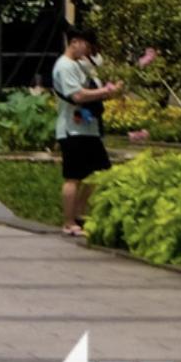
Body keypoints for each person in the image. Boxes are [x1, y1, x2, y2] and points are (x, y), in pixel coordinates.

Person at [51, 29, 124, 240]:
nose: (89, 50)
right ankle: (68, 222)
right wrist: (107, 92)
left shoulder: (83, 65)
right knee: (73, 176)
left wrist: (107, 91)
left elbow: (95, 91)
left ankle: (79, 213)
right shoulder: (64, 66)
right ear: (74, 42)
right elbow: (78, 94)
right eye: (86, 45)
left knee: (100, 173)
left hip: (89, 129)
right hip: (72, 130)